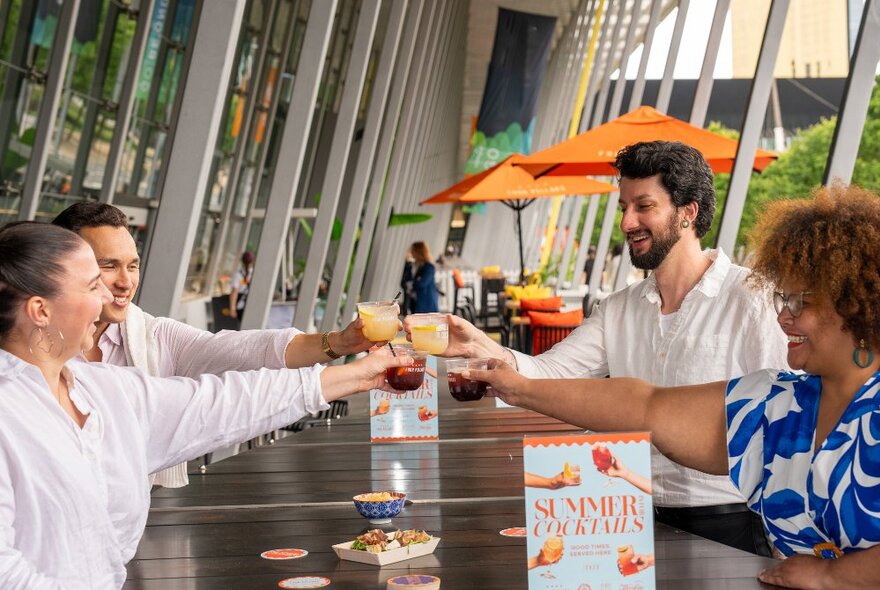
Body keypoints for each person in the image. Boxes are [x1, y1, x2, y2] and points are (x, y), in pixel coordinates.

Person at [471, 184, 880, 590]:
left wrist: (832, 577)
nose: (782, 319)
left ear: (854, 303)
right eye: (783, 300)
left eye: (799, 303)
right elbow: (644, 406)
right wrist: (517, 387)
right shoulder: (777, 405)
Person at [407, 141, 788, 554]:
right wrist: (478, 344)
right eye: (624, 207)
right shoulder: (617, 309)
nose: (627, 222)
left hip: (728, 520)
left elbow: (786, 416)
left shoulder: (752, 299)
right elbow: (549, 374)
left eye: (644, 206)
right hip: (624, 516)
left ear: (688, 212)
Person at [0, 222, 410, 588]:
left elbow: (224, 402)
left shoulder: (103, 391)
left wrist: (361, 373)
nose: (111, 292)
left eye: (130, 266)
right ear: (40, 310)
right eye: (93, 284)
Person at [53, 202, 392, 488]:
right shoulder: (32, 359)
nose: (125, 282)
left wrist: (340, 343)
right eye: (108, 265)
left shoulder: (151, 336)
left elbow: (244, 352)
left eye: (133, 265)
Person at [410, 241, 439, 313]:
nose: (411, 252)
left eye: (413, 250)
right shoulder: (416, 265)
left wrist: (413, 283)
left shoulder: (429, 267)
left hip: (427, 302)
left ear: (418, 252)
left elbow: (422, 283)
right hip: (418, 301)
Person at [229, 250, 254, 326]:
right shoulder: (254, 273)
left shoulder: (238, 274)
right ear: (252, 261)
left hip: (241, 306)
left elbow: (234, 292)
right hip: (252, 306)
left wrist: (232, 308)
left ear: (242, 261)